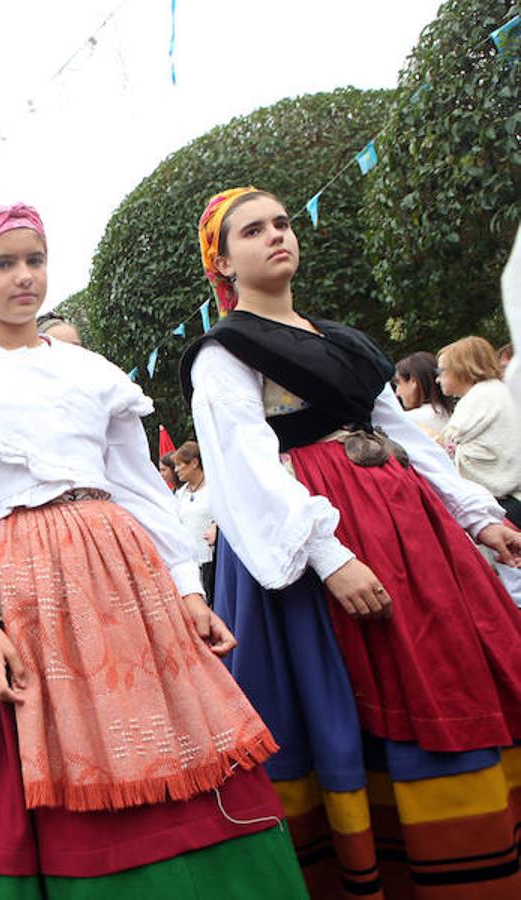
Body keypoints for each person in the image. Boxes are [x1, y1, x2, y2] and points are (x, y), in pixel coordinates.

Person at [0, 202, 300, 898]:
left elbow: (140, 487)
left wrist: (185, 589)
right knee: (58, 759)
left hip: (126, 574)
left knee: (179, 733)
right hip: (25, 585)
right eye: (3, 264)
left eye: (35, 259)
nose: (24, 277)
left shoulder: (92, 371)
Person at [182, 186, 521, 896]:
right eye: (253, 231)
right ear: (224, 262)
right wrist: (329, 557)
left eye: (281, 223)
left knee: (449, 668)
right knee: (360, 695)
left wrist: (476, 515)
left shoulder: (344, 340)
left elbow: (401, 436)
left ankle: (476, 851)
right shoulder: (225, 353)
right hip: (318, 536)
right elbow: (244, 465)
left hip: (410, 531)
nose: (276, 235)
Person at [436, 335, 521, 525]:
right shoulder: (497, 391)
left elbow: (446, 447)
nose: (437, 378)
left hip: (504, 505)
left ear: (462, 367)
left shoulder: (479, 397)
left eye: (441, 370)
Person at [172, 440, 217, 600]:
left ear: (194, 463)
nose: (176, 470)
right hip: (190, 564)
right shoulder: (180, 494)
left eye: (179, 465)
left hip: (212, 562)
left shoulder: (214, 488)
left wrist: (216, 527)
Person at [393, 351, 453, 438]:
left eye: (398, 384)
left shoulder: (408, 420)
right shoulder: (448, 414)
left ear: (413, 381)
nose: (397, 393)